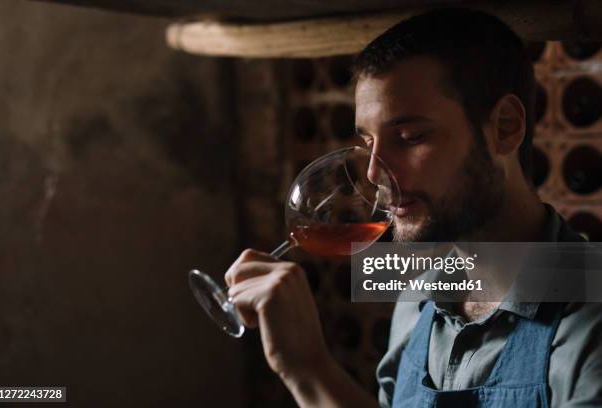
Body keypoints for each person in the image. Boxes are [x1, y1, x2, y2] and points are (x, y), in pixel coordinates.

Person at [224, 8, 602, 407]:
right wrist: (303, 367)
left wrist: (312, 368)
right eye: (369, 144)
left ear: (505, 127)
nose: (373, 173)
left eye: (409, 137)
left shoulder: (589, 316)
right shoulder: (417, 302)